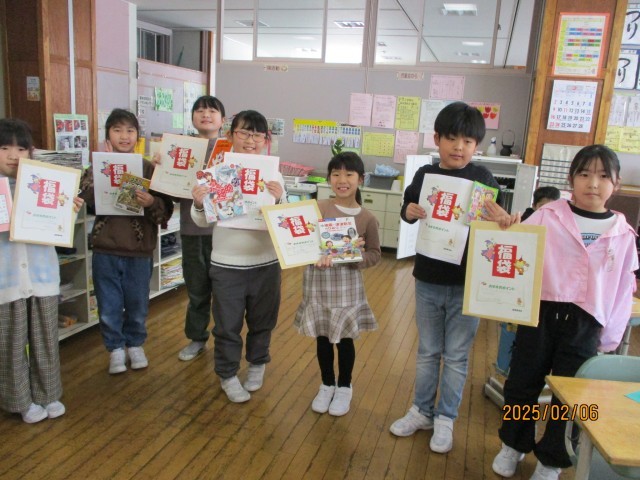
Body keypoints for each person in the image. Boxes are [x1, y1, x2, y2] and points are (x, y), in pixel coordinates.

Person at [490, 145, 638, 480]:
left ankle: (553, 460)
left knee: (572, 396)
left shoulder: (622, 233)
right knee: (522, 383)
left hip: (587, 324)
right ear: (571, 179)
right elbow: (516, 249)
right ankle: (513, 443)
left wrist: (610, 338)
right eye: (584, 174)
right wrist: (506, 226)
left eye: (603, 176)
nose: (593, 183)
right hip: (541, 313)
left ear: (616, 183)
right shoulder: (549, 214)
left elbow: (622, 290)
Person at [389, 101, 502, 453]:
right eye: (452, 138)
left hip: (467, 282)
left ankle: (445, 418)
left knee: (455, 356)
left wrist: (501, 218)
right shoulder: (424, 175)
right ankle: (421, 411)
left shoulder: (482, 178)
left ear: (476, 145)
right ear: (437, 139)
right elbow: (408, 209)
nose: (459, 147)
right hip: (428, 277)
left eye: (468, 141)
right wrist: (409, 211)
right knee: (427, 351)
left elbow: (492, 222)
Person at [191, 109, 286, 403]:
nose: (250, 140)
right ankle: (228, 374)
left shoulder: (274, 174)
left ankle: (257, 364)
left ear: (265, 140)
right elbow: (202, 221)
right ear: (231, 135)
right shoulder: (218, 171)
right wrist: (199, 203)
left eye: (257, 135)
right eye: (244, 133)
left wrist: (279, 199)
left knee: (263, 321)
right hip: (226, 263)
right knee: (226, 325)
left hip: (265, 262)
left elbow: (283, 221)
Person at [0, 118, 84, 423]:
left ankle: (48, 394)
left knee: (45, 339)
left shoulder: (44, 183)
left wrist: (67, 210)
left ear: (30, 152)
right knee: (10, 343)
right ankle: (19, 401)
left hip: (42, 277)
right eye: (4, 148)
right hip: (6, 281)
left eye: (21, 148)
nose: (13, 155)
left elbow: (57, 232)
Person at [79, 109, 174, 374]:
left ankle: (135, 345)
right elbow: (86, 199)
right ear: (108, 135)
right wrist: (100, 167)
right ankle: (115, 350)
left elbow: (164, 212)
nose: (124, 136)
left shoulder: (148, 168)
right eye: (117, 130)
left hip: (138, 249)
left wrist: (151, 201)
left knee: (137, 303)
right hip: (105, 248)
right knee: (108, 305)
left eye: (130, 131)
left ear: (137, 137)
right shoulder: (97, 167)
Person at [294, 152, 381, 416]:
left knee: (344, 339)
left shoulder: (367, 218)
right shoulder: (317, 208)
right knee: (322, 336)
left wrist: (354, 257)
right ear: (329, 178)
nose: (342, 180)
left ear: (360, 179)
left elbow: (375, 254)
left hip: (347, 285)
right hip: (318, 282)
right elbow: (301, 240)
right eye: (336, 174)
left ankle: (344, 386)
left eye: (349, 174)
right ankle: (326, 383)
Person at [177, 95, 226, 362]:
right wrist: (162, 168)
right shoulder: (181, 149)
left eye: (212, 111)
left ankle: (225, 340)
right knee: (197, 291)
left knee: (225, 293)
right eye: (200, 110)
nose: (205, 114)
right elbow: (170, 190)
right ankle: (197, 338)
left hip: (225, 233)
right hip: (192, 231)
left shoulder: (232, 151)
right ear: (193, 117)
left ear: (222, 120)